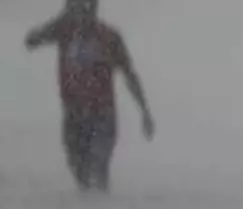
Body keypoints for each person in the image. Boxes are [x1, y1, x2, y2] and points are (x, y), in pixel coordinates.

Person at [24, 0, 155, 193]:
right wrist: (58, 20)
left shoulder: (110, 37)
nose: (82, 12)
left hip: (103, 116)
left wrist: (144, 111)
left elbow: (129, 74)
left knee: (98, 170)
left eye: (86, 6)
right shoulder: (64, 30)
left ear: (95, 8)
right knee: (81, 175)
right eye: (76, 6)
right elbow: (31, 41)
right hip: (74, 116)